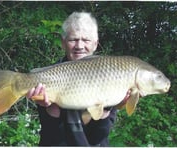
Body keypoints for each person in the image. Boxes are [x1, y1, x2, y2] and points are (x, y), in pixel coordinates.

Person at [27, 12, 118, 146]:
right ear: (63, 43)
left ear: (95, 44)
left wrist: (106, 109)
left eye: (86, 40)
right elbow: (52, 137)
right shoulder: (49, 76)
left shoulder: (108, 74)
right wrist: (50, 108)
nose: (79, 46)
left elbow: (97, 138)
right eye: (73, 40)